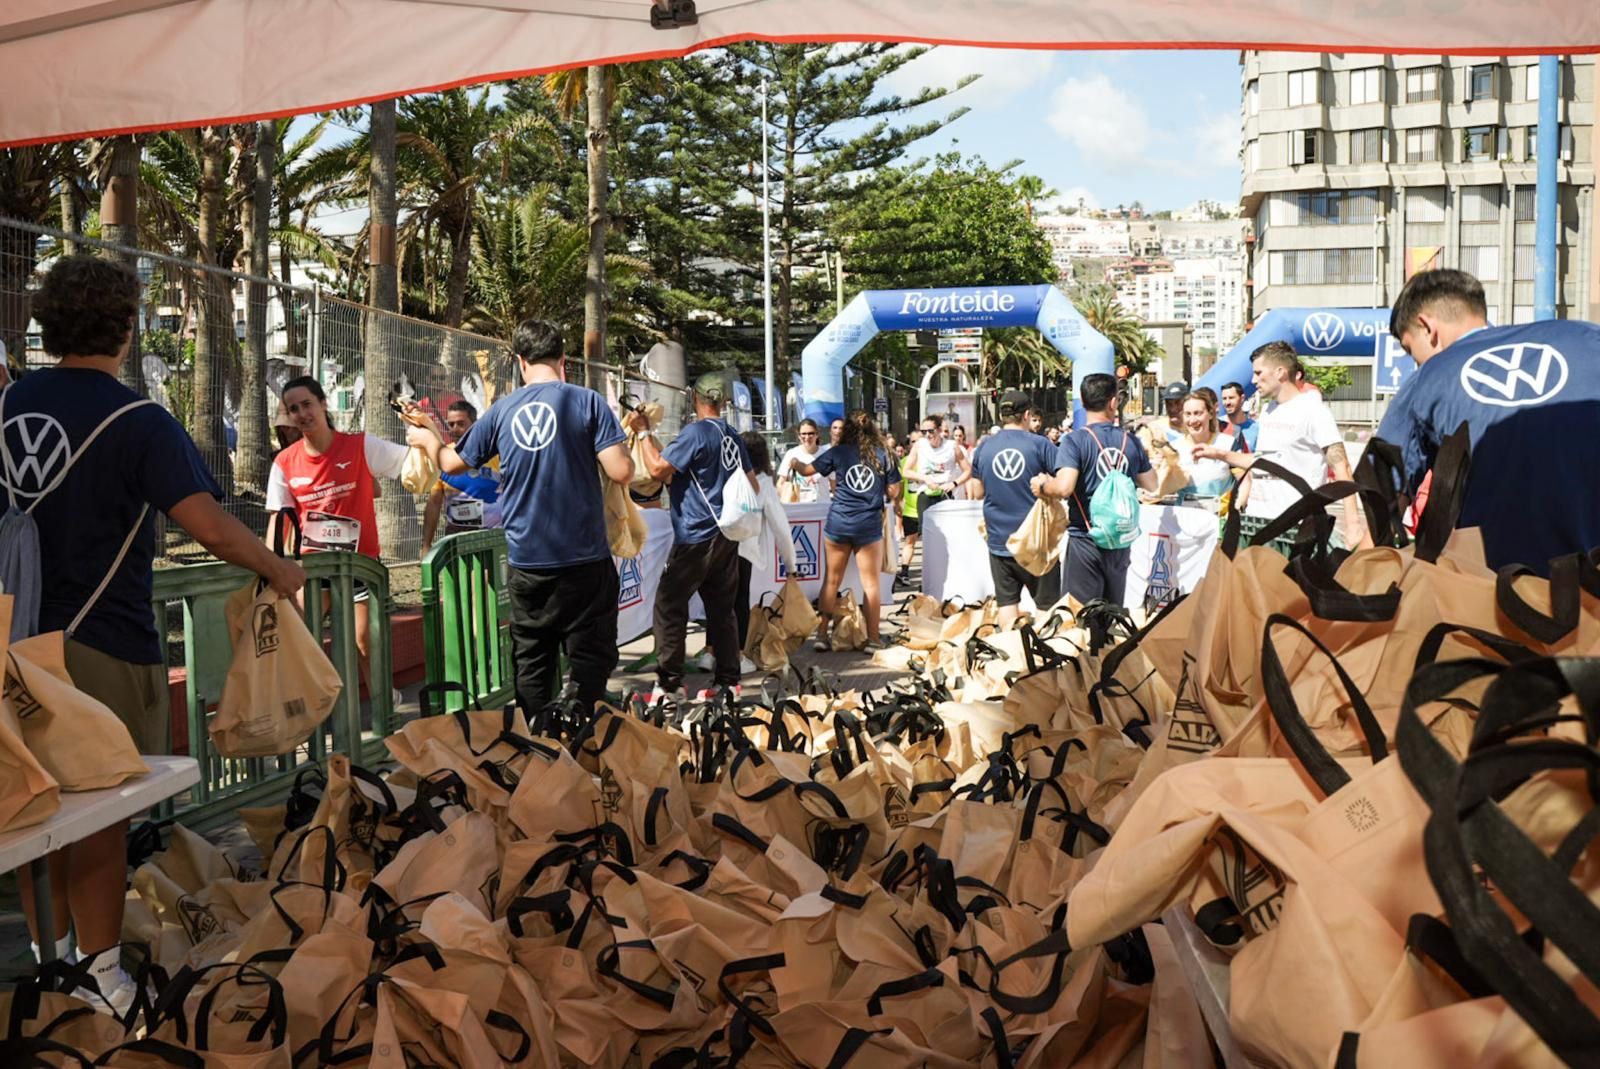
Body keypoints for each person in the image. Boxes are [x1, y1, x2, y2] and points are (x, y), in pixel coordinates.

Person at [2, 255, 305, 1010]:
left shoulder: (6, 408)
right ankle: (102, 976)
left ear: (48, 323)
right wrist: (279, 566)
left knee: (27, 804)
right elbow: (209, 526)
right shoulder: (140, 420)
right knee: (100, 815)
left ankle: (52, 963)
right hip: (101, 643)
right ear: (129, 328)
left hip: (12, 643)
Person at [420, 319, 632, 712]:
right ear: (563, 359)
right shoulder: (587, 402)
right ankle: (585, 739)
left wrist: (431, 438)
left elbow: (451, 463)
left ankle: (540, 747)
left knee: (533, 661)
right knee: (590, 659)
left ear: (520, 361)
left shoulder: (502, 411)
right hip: (585, 558)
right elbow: (621, 471)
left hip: (527, 561)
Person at [1375, 268, 1600, 573]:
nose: (1416, 363)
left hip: (1494, 596)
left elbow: (1382, 497)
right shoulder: (1588, 338)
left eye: (1409, 349)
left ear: (1427, 327)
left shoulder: (1429, 376)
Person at [267, 374, 431, 701]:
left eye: (307, 404)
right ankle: (311, 714)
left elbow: (411, 464)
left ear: (323, 403)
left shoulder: (360, 446)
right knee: (300, 637)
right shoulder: (284, 462)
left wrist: (428, 437)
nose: (302, 413)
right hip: (313, 570)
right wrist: (269, 568)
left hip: (360, 566)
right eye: (293, 408)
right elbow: (278, 519)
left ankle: (385, 705)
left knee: (363, 640)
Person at [633, 371, 754, 700]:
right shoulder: (732, 436)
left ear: (695, 399)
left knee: (669, 605)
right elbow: (751, 485)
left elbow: (658, 470)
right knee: (721, 608)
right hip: (727, 533)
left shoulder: (696, 433)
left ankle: (669, 684)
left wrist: (643, 434)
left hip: (695, 533)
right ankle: (729, 683)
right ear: (724, 401)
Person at [1196, 341, 1358, 542]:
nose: (1254, 380)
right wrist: (1219, 454)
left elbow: (1341, 466)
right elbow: (1263, 461)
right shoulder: (1268, 410)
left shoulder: (1313, 410)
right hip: (1261, 521)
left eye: (1258, 373)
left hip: (1297, 526)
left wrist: (1353, 524)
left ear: (1280, 372)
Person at [1036, 372, 1158, 606]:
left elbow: (1064, 487)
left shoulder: (1075, 441)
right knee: (1111, 614)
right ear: (1114, 402)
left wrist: (1042, 485)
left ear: (1083, 402)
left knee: (1082, 616)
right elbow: (1152, 484)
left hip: (1086, 539)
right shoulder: (1130, 440)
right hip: (1120, 540)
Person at [792, 411, 900, 650]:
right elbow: (894, 492)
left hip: (839, 522)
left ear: (847, 430)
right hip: (868, 524)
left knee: (831, 581)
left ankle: (822, 636)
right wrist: (877, 488)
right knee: (871, 585)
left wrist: (794, 463)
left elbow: (806, 471)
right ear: (872, 428)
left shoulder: (838, 452)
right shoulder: (885, 455)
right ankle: (873, 639)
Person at [968, 391, 1063, 625]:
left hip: (999, 541)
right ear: (1027, 415)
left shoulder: (984, 448)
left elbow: (977, 491)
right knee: (1045, 609)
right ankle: (1045, 658)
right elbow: (1063, 483)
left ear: (1002, 416)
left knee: (1007, 606)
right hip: (1036, 542)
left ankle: (1011, 655)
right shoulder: (1041, 445)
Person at [421, 399, 502, 553]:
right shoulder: (441, 456)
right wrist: (426, 545)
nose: (454, 429)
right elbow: (434, 503)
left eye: (460, 423)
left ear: (475, 425)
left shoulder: (494, 453)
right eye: (451, 424)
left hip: (493, 536)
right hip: (457, 537)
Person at [902, 414, 970, 536]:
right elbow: (906, 471)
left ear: (939, 430)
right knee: (927, 533)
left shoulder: (952, 446)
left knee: (948, 532)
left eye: (931, 431)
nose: (927, 435)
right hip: (925, 493)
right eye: (924, 432)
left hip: (946, 493)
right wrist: (925, 478)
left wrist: (954, 483)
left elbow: (968, 470)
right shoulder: (919, 445)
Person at [1175, 391, 1233, 506]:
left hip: (1222, 519)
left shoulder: (1228, 443)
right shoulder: (1174, 448)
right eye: (1188, 414)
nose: (1192, 420)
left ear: (1211, 414)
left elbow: (1245, 480)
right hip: (1187, 518)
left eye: (1198, 413)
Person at [775, 418, 830, 502]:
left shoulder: (826, 455)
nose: (807, 437)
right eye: (803, 434)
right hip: (798, 508)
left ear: (817, 434)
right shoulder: (791, 454)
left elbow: (834, 484)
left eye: (810, 433)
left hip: (821, 508)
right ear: (799, 436)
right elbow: (780, 483)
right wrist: (785, 497)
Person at [1219, 381, 1259, 450]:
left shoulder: (1256, 429)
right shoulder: (1216, 425)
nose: (1227, 402)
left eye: (1231, 398)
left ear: (1242, 398)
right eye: (1224, 399)